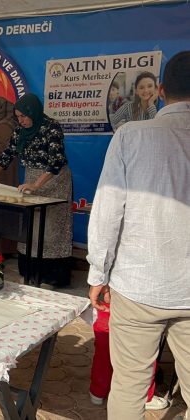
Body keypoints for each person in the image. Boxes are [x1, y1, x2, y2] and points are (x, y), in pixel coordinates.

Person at [87, 50, 190, 420]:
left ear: (161, 90)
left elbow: (108, 211)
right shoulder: (131, 134)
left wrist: (98, 274)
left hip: (138, 285)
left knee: (129, 383)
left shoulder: (131, 136)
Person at [0, 93, 73, 288]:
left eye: (24, 116)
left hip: (55, 180)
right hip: (32, 179)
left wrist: (36, 185)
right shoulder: (19, 131)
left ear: (33, 112)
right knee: (31, 227)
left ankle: (51, 277)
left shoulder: (51, 127)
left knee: (50, 228)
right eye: (18, 116)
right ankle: (30, 273)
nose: (21, 120)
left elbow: (56, 162)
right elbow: (7, 154)